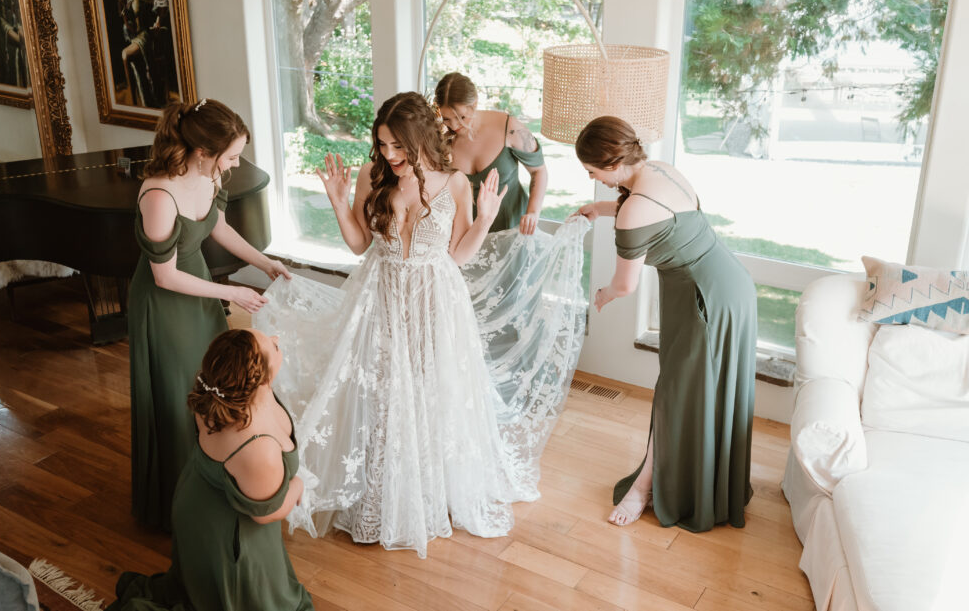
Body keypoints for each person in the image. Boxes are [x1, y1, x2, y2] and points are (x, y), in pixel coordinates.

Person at [255, 92, 588, 558]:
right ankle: (381, 493)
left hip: (436, 299)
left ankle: (432, 489)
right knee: (384, 391)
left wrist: (487, 218)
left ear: (420, 139)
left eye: (398, 147)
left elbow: (459, 256)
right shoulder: (374, 176)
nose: (389, 156)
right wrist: (336, 199)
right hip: (381, 294)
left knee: (432, 390)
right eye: (383, 145)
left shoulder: (454, 183)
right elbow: (357, 245)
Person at [572, 116, 756, 531]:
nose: (594, 180)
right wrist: (601, 209)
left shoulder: (634, 210)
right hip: (732, 287)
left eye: (593, 172)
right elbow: (664, 218)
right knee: (700, 390)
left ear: (610, 162)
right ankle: (703, 482)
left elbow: (625, 285)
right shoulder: (661, 171)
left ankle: (643, 487)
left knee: (673, 393)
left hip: (702, 300)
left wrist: (601, 295)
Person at [129, 98, 291, 531]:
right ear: (203, 151)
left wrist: (262, 262)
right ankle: (178, 503)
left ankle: (216, 485)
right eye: (232, 155)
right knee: (176, 394)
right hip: (164, 304)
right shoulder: (159, 195)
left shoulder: (210, 174)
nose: (236, 164)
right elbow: (164, 277)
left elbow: (217, 227)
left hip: (198, 288)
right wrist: (231, 291)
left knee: (212, 387)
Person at [107, 328, 314, 611]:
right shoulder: (259, 449)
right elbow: (265, 513)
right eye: (273, 347)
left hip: (196, 500)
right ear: (262, 377)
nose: (277, 339)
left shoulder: (221, 392)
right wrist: (298, 486)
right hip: (228, 531)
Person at [434, 72, 547, 234]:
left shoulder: (510, 128)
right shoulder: (442, 141)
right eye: (446, 118)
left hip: (512, 230)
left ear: (474, 103)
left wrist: (533, 212)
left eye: (461, 117)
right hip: (465, 234)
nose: (454, 125)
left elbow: (539, 171)